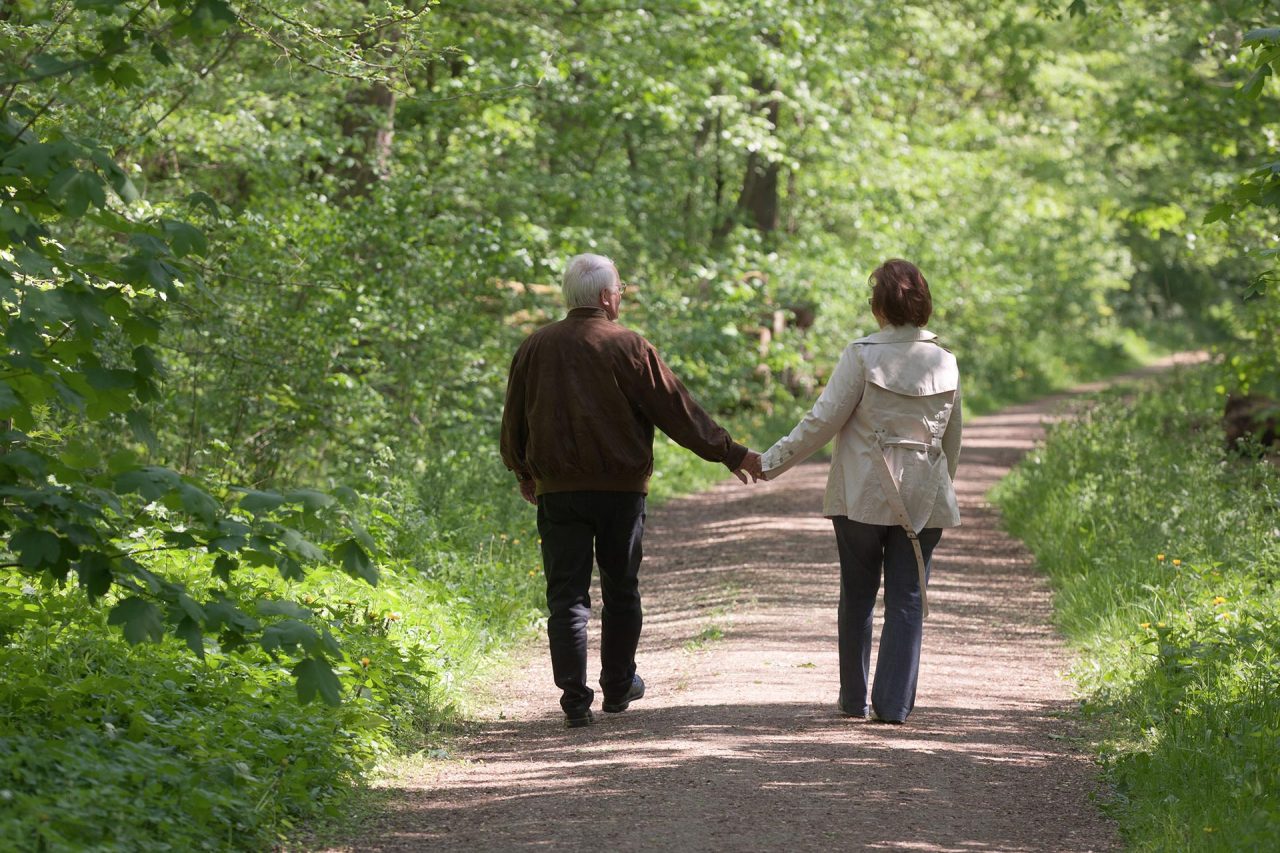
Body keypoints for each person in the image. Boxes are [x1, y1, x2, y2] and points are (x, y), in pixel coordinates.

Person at [501, 253, 763, 728]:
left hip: (558, 492)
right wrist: (730, 452)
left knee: (567, 595)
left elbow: (514, 418)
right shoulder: (629, 346)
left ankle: (575, 699)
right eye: (619, 288)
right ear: (605, 297)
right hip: (622, 494)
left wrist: (523, 471)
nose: (621, 296)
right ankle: (618, 686)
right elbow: (678, 412)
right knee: (621, 588)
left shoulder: (534, 347)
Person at [759, 259, 961, 724]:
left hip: (862, 497)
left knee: (858, 595)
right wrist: (935, 490)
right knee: (908, 598)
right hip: (925, 502)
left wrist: (769, 463)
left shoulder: (862, 355)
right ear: (923, 304)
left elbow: (821, 422)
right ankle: (893, 706)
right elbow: (951, 443)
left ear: (878, 306)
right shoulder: (945, 362)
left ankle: (854, 699)